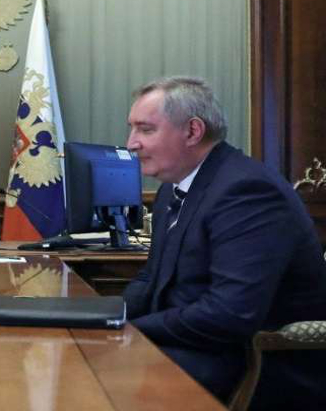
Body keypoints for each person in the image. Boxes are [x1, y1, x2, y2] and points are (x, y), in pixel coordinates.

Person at [123, 76, 326, 409]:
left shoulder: (246, 191)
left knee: (101, 381)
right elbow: (151, 278)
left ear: (192, 131)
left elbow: (229, 314)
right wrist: (105, 316)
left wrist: (133, 330)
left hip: (252, 362)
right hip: (196, 344)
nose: (131, 143)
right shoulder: (172, 188)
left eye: (145, 130)